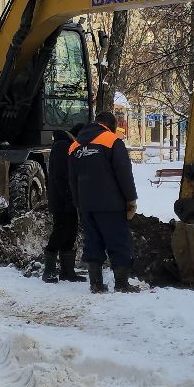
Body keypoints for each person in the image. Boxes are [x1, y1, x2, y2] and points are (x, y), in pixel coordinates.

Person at [68, 110, 140, 293]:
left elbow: (72, 179)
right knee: (118, 241)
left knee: (92, 242)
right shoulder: (111, 140)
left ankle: (96, 284)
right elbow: (123, 172)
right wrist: (131, 199)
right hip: (111, 205)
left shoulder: (74, 146)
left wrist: (78, 204)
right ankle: (122, 284)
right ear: (111, 126)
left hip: (87, 206)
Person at [41, 124, 86, 283]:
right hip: (62, 200)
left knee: (70, 232)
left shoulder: (69, 145)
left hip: (70, 199)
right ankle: (49, 271)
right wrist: (69, 197)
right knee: (60, 231)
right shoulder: (62, 146)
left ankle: (67, 271)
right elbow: (61, 176)